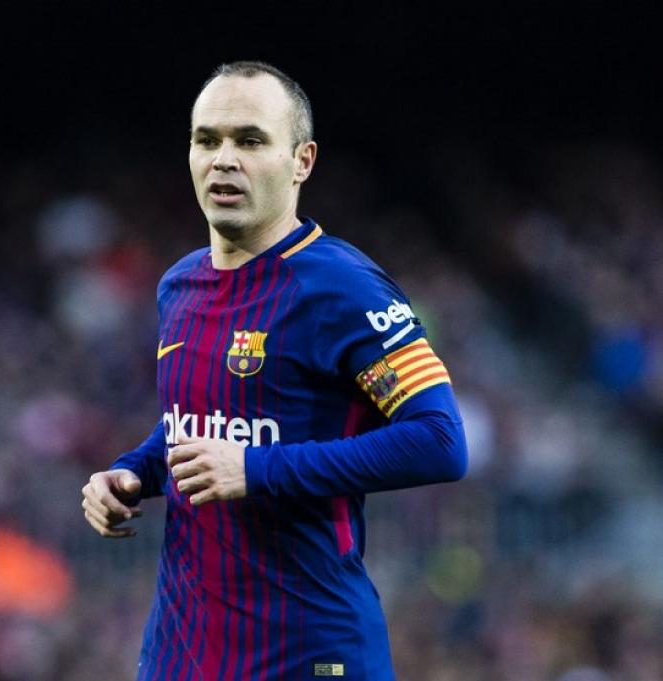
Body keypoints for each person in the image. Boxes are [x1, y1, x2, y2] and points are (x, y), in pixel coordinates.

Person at [80, 60, 467, 681]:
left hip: (308, 650)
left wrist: (258, 470)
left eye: (250, 141)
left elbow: (440, 441)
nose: (223, 160)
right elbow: (196, 425)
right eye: (207, 140)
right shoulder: (178, 285)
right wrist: (132, 472)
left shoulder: (343, 287)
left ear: (301, 161)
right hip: (184, 649)